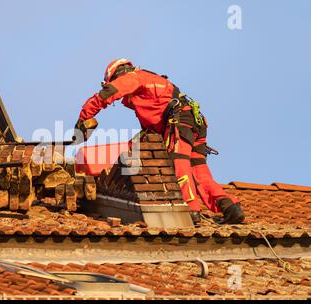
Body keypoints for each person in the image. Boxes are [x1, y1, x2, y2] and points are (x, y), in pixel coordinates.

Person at [75, 59, 245, 224]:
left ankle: (191, 209)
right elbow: (153, 129)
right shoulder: (151, 85)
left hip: (180, 122)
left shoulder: (134, 77)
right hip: (194, 122)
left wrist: (84, 117)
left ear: (117, 75)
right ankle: (230, 207)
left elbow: (108, 93)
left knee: (178, 163)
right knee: (198, 170)